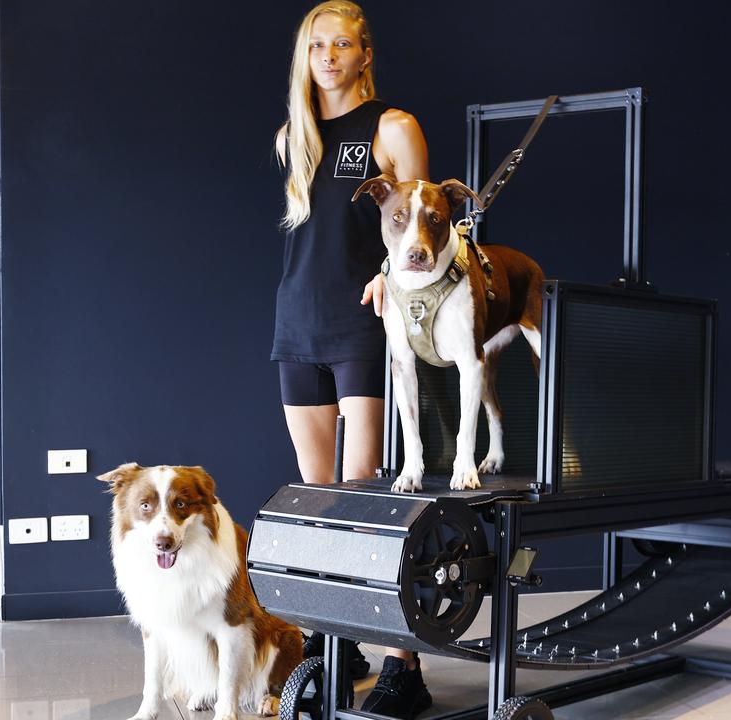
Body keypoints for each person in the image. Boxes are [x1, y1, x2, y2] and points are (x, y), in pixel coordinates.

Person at [272, 2, 433, 717]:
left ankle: (405, 665)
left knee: (368, 504)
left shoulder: (392, 128)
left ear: (365, 54)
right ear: (305, 58)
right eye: (317, 46)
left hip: (363, 324)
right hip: (296, 322)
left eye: (342, 45)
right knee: (318, 505)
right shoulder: (294, 138)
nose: (329, 56)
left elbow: (425, 225)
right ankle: (342, 645)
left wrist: (391, 274)